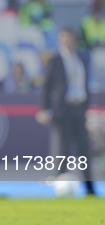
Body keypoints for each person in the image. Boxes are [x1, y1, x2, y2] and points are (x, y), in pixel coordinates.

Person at [36, 28, 95, 195]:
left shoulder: (82, 59)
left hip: (79, 108)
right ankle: (60, 187)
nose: (66, 41)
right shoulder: (55, 60)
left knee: (85, 149)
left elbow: (85, 84)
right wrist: (44, 109)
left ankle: (90, 188)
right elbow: (46, 87)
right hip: (63, 110)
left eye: (69, 37)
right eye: (63, 37)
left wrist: (86, 107)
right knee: (63, 150)